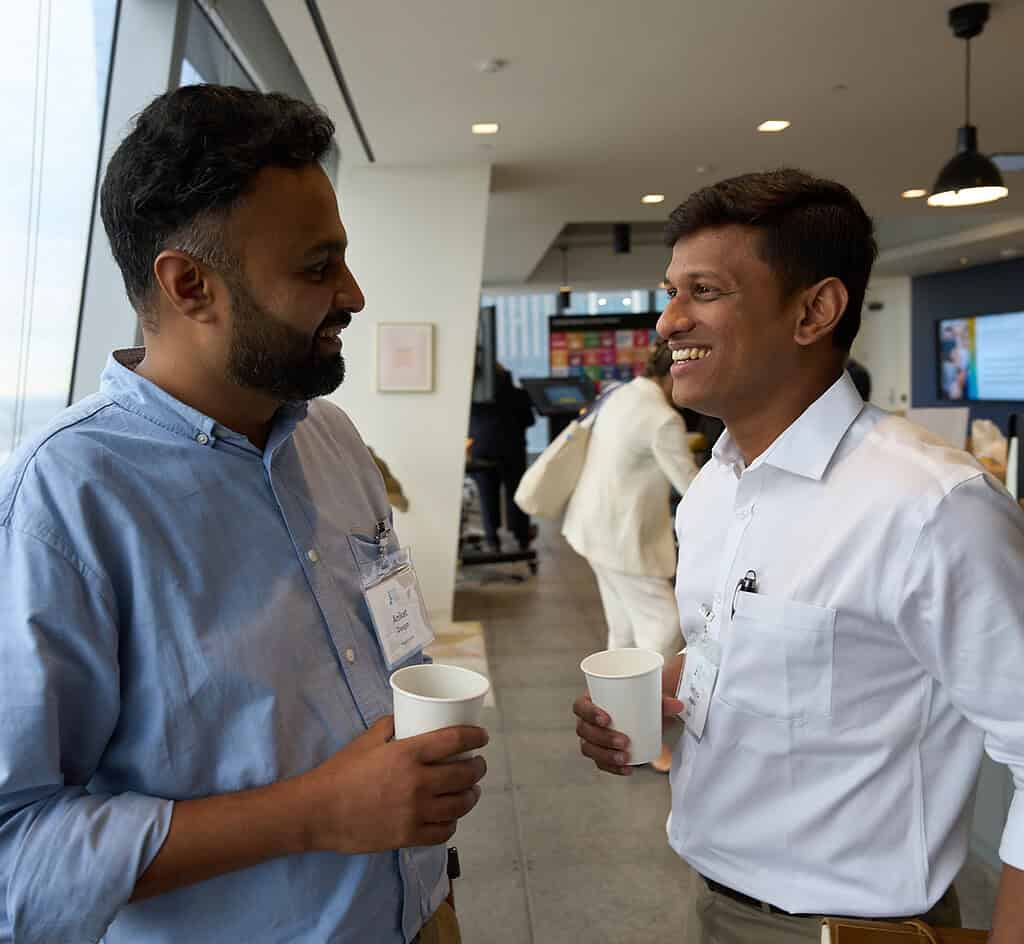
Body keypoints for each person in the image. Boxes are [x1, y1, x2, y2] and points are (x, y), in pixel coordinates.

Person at [0, 85, 486, 944]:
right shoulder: (63, 500)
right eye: (316, 266)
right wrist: (317, 813)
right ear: (190, 285)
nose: (355, 293)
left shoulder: (332, 441)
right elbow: (17, 856)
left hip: (424, 913)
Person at [573, 169, 1024, 942]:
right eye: (670, 290)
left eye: (703, 291)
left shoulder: (930, 508)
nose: (667, 322)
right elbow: (772, 652)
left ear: (815, 310)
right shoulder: (717, 485)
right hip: (717, 903)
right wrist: (677, 689)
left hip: (854, 929)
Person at [563, 339, 698, 771]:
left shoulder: (620, 393)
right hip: (625, 541)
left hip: (594, 530)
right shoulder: (662, 419)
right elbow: (695, 491)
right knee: (664, 625)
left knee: (622, 632)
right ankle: (644, 736)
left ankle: (617, 726)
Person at [468, 363, 536, 551]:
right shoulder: (518, 394)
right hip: (512, 450)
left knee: (487, 493)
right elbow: (529, 421)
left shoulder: (472, 397)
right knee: (516, 493)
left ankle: (492, 539)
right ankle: (522, 537)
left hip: (481, 450)